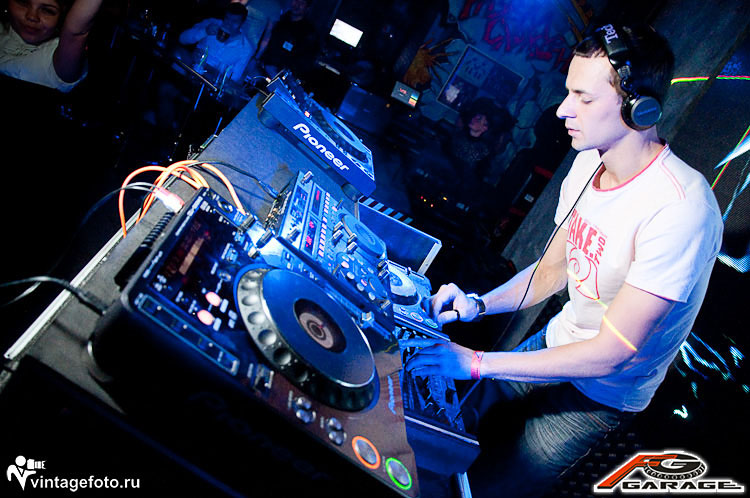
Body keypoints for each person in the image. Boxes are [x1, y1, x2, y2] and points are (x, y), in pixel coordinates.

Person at [403, 24, 723, 497]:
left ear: (638, 106)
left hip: (599, 397)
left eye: (583, 98)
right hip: (552, 343)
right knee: (436, 445)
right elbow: (553, 270)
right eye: (568, 92)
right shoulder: (588, 161)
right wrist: (479, 304)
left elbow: (612, 352)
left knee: (482, 490)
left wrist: (476, 362)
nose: (562, 109)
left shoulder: (681, 208)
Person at [0, 0, 103, 91]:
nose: (32, 16)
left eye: (47, 10)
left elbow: (75, 33)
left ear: (63, 16)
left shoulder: (57, 57)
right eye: (23, 2)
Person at [178, 2, 253, 83]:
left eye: (234, 21)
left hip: (211, 83)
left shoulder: (246, 48)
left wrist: (206, 68)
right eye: (227, 18)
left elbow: (233, 79)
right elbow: (182, 39)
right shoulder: (212, 23)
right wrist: (204, 31)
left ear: (242, 23)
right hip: (189, 70)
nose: (228, 24)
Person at [259, 0, 318, 79]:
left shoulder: (307, 32)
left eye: (302, 3)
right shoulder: (281, 19)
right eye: (296, 0)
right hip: (262, 67)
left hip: (280, 75)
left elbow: (304, 61)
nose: (297, 5)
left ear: (307, 8)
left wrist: (282, 70)